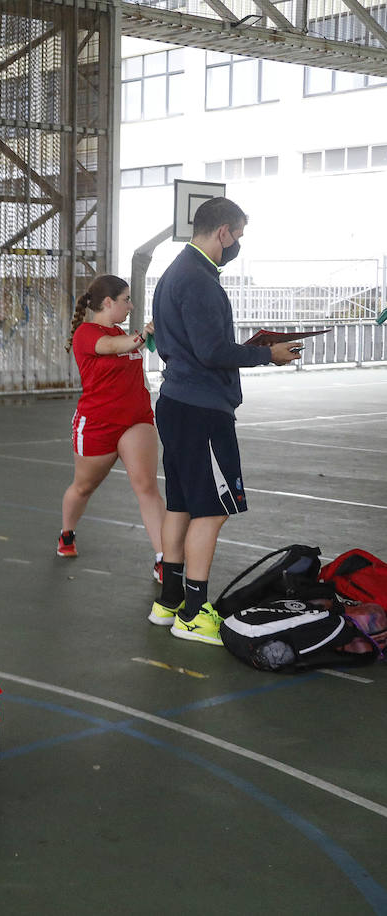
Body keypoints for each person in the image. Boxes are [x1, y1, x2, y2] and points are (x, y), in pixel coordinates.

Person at [149, 197, 300, 644]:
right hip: (201, 408)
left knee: (181, 504)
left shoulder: (174, 272)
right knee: (212, 512)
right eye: (238, 235)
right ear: (223, 232)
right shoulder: (199, 279)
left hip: (176, 401)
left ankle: (170, 600)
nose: (237, 245)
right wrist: (266, 354)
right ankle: (195, 613)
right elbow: (213, 351)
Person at [57, 275, 165, 583]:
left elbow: (129, 355)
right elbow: (109, 347)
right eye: (126, 300)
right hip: (97, 425)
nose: (131, 306)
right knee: (83, 487)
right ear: (108, 303)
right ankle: (67, 533)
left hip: (136, 421)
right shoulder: (86, 333)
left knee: (147, 488)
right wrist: (140, 336)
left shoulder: (124, 334)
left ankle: (164, 560)